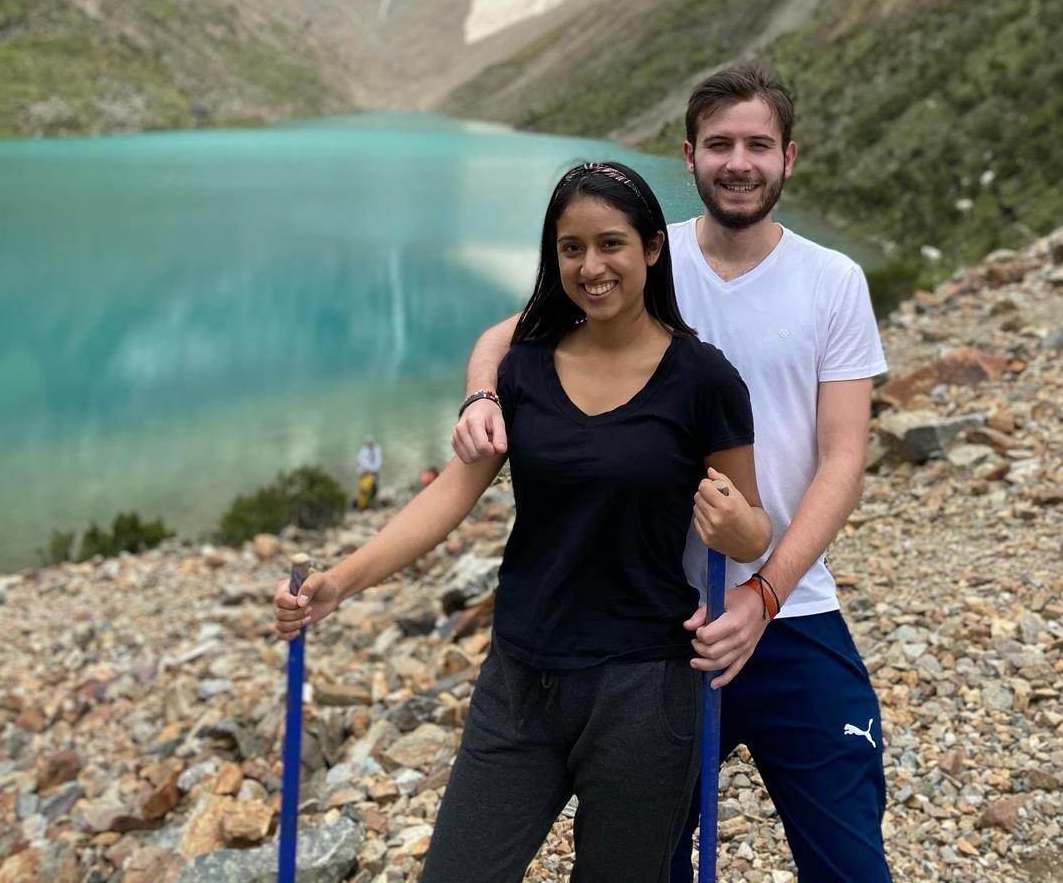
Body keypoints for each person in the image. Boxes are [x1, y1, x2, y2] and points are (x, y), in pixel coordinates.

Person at [275, 161, 772, 883]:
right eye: (571, 248)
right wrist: (337, 585)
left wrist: (734, 527)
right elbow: (448, 497)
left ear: (652, 249)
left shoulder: (704, 380)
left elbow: (754, 529)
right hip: (520, 679)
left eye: (611, 244)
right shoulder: (525, 370)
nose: (591, 267)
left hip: (644, 686)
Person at [454, 64, 892, 883]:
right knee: (647, 860)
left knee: (851, 860)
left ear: (788, 157)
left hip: (788, 608)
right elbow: (507, 338)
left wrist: (761, 597)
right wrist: (482, 396)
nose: (739, 162)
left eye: (758, 144)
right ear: (687, 155)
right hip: (657, 632)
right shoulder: (644, 262)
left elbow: (843, 461)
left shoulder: (834, 282)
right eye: (719, 144)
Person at [353, 434, 382, 509]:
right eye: (368, 443)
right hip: (365, 473)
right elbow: (362, 462)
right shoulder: (363, 451)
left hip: (373, 472)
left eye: (371, 442)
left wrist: (373, 470)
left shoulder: (376, 449)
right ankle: (363, 505)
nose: (370, 444)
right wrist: (370, 470)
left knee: (374, 488)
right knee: (364, 489)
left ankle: (372, 503)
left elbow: (378, 460)